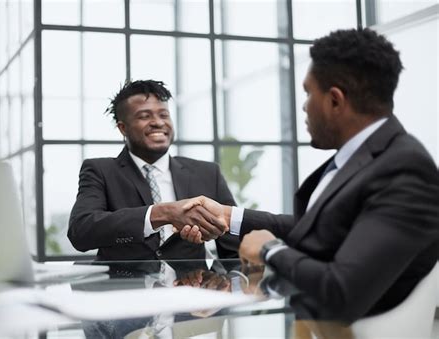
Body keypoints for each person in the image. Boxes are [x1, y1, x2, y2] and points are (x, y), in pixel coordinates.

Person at [179, 28, 439, 323]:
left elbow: (341, 290)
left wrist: (270, 250)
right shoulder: (367, 157)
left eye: (308, 92)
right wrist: (229, 217)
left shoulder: (405, 170)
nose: (304, 105)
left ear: (335, 101)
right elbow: (314, 228)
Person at [68, 80, 239, 260]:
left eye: (164, 115)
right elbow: (81, 231)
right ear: (122, 128)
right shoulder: (100, 171)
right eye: (144, 116)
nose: (158, 122)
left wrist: (230, 282)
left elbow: (236, 245)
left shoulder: (207, 173)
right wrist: (164, 213)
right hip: (125, 285)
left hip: (192, 284)